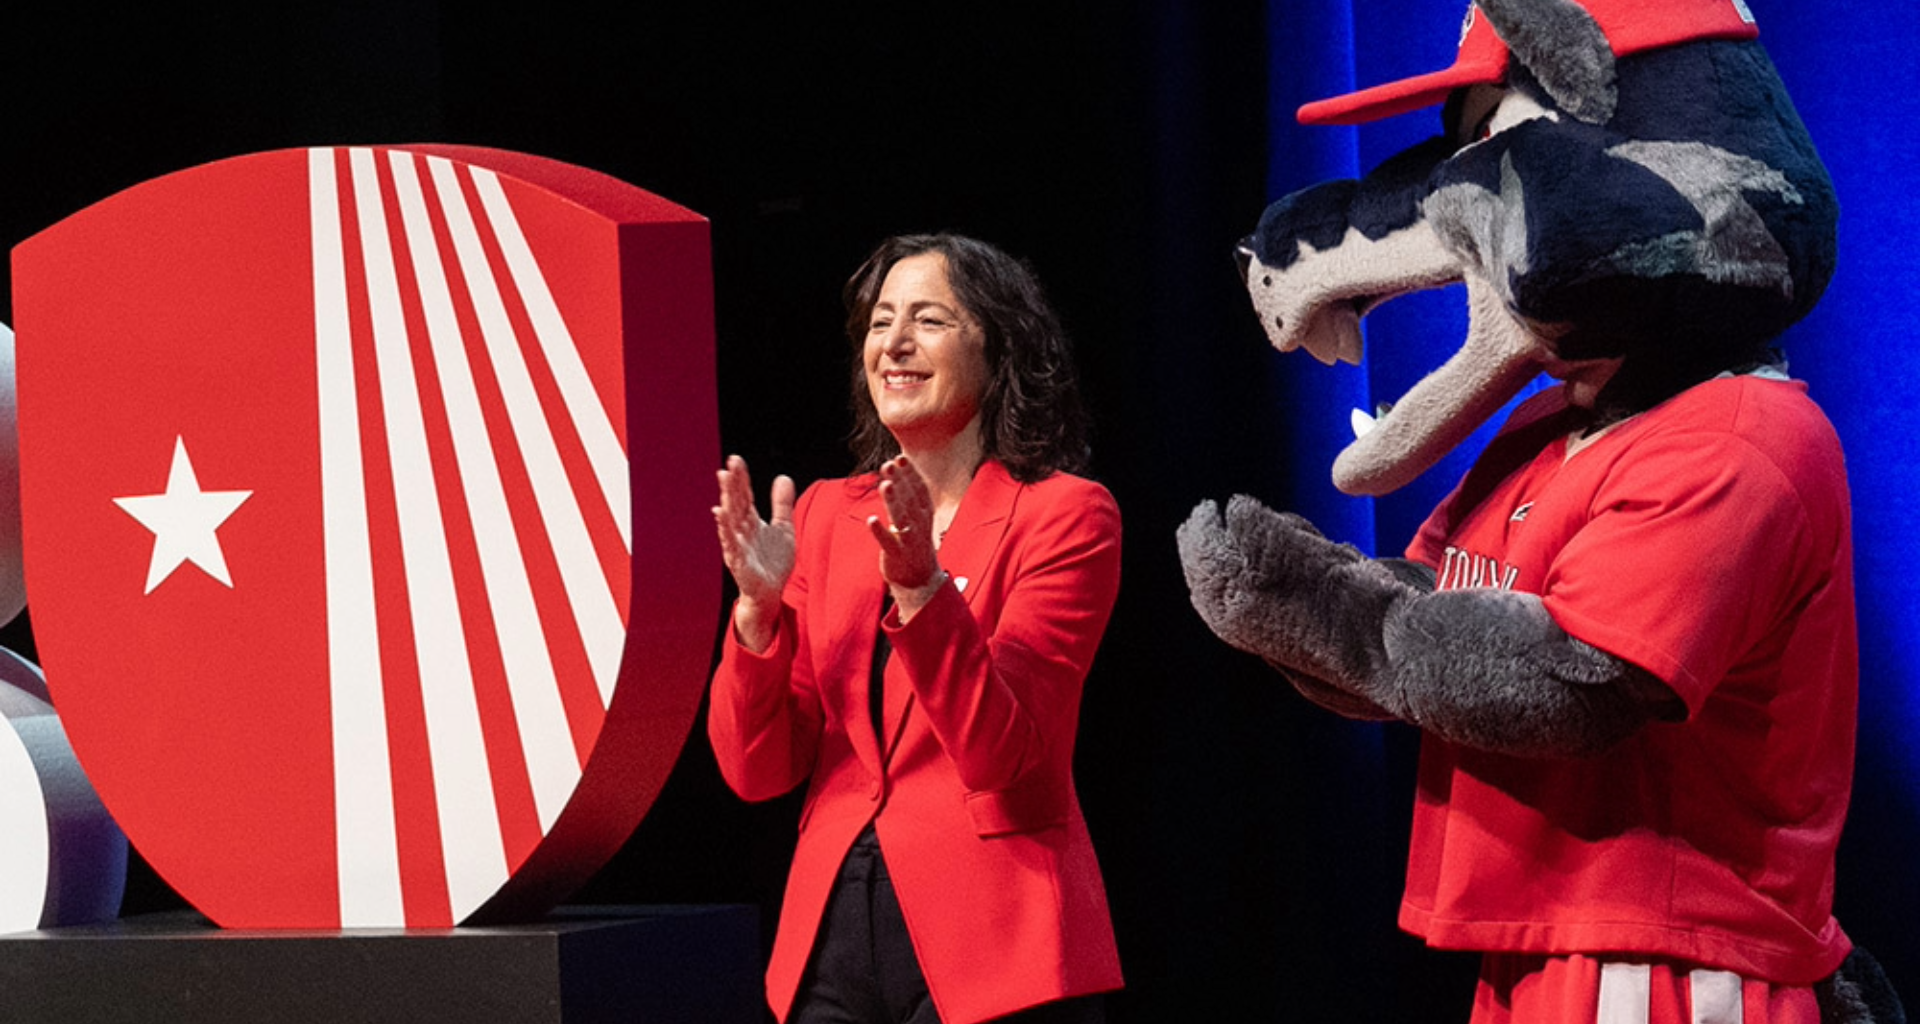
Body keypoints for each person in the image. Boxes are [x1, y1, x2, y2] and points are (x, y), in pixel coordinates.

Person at [708, 234, 1123, 1024]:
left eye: (928, 320)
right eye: (879, 322)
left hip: (999, 936)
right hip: (833, 923)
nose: (893, 343)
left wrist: (923, 589)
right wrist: (758, 620)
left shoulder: (1065, 514)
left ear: (999, 348)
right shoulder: (829, 513)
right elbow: (758, 773)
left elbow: (1007, 753)